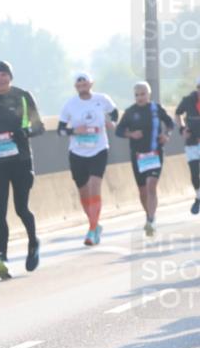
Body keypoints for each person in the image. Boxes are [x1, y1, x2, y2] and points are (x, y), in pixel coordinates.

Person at [0, 61, 45, 279]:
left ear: (10, 77)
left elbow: (39, 127)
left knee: (21, 208)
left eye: (4, 75)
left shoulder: (22, 96)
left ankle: (33, 243)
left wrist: (24, 133)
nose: (0, 79)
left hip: (21, 160)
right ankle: (2, 257)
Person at [57, 72, 118, 246]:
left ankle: (91, 230)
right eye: (79, 84)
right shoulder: (70, 105)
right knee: (84, 192)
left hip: (99, 150)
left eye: (85, 83)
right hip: (77, 153)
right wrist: (75, 131)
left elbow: (114, 113)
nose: (82, 86)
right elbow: (60, 130)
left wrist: (112, 123)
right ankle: (95, 224)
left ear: (91, 84)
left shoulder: (102, 99)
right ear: (75, 87)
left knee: (94, 187)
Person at [115, 82, 175, 237]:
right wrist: (131, 134)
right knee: (142, 190)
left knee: (151, 185)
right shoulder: (130, 112)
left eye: (142, 94)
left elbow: (170, 123)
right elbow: (118, 131)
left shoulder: (156, 108)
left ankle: (151, 219)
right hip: (138, 156)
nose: (140, 97)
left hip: (155, 153)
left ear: (149, 94)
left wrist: (166, 135)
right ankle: (149, 215)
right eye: (137, 95)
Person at [174, 76, 200, 215]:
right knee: (194, 174)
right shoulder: (188, 100)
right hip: (192, 143)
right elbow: (177, 114)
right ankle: (198, 197)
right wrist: (182, 129)